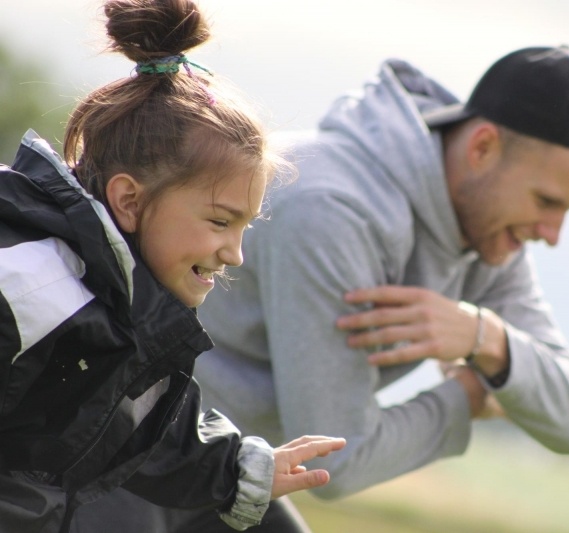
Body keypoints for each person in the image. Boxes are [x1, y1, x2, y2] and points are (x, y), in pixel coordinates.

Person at [191, 43, 569, 521]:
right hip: (144, 450)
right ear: (482, 148)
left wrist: (486, 339)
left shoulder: (491, 238)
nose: (552, 234)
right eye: (546, 201)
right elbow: (337, 461)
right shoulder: (333, 212)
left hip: (232, 470)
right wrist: (468, 398)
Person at [0, 1, 345, 532]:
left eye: (245, 226)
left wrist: (238, 470)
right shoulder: (32, 286)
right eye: (219, 220)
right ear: (130, 202)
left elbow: (146, 432)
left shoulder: (117, 307)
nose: (235, 253)